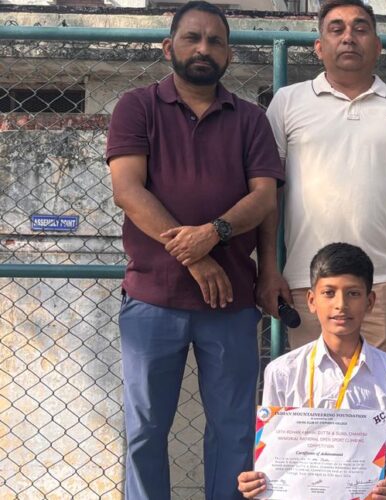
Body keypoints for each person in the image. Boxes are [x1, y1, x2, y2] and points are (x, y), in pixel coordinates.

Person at [106, 2, 283, 498]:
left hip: (231, 302)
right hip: (152, 299)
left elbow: (264, 198)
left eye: (215, 41)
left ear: (228, 54)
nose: (203, 48)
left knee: (233, 432)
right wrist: (196, 255)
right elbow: (128, 191)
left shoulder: (251, 119)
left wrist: (215, 232)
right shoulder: (136, 107)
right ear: (169, 47)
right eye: (192, 38)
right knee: (145, 431)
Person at [260, 0, 386, 358]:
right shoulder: (287, 103)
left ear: (378, 45)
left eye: (360, 29)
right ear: (319, 46)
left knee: (383, 390)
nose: (348, 37)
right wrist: (268, 269)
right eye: (336, 29)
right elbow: (270, 195)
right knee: (315, 392)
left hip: (385, 283)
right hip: (310, 283)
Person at [236, 243, 386, 500]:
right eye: (329, 293)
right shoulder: (282, 371)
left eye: (353, 293)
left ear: (370, 301)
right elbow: (273, 451)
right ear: (311, 300)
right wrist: (257, 481)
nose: (341, 304)